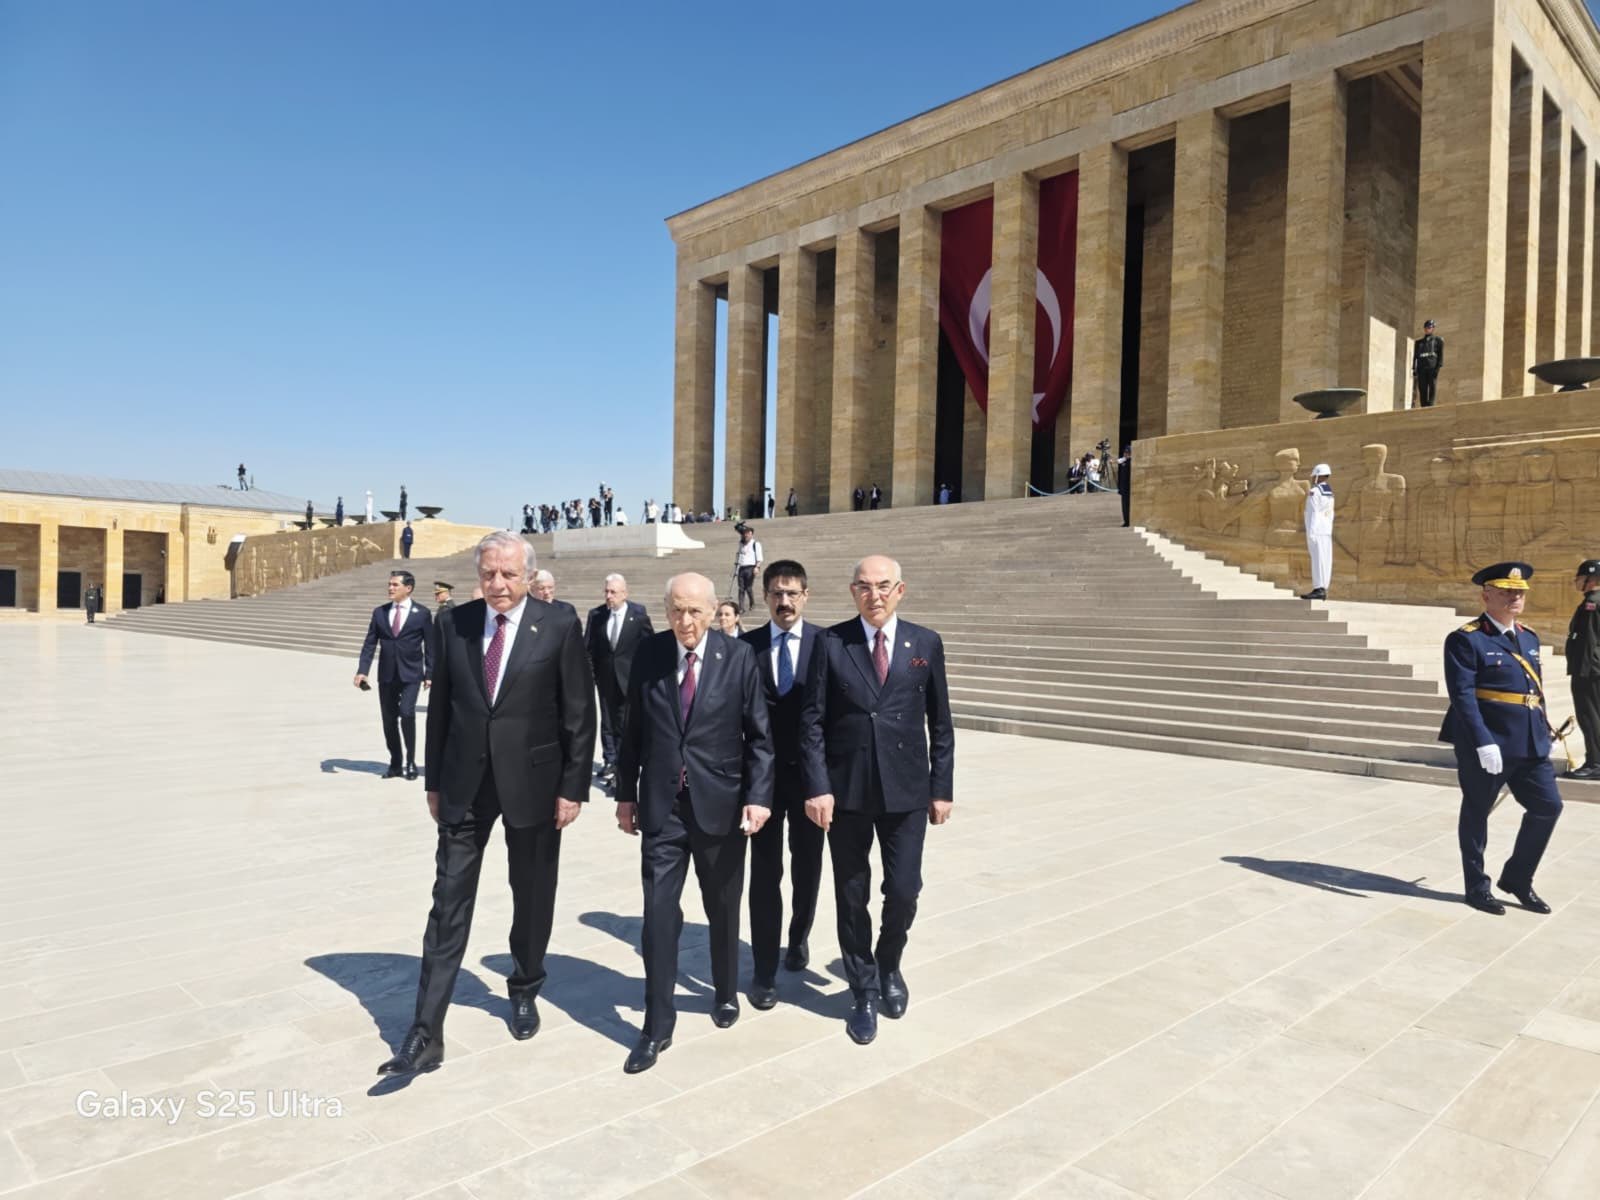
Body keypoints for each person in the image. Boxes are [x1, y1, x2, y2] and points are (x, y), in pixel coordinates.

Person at [376, 533, 596, 1076]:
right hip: (465, 784)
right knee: (447, 902)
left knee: (533, 893)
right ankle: (426, 1031)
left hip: (536, 785)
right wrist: (433, 781)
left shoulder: (560, 624)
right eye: (490, 574)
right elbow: (443, 707)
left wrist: (573, 787)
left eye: (509, 575)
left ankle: (524, 985)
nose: (498, 585)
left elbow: (578, 713)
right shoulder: (454, 623)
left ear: (527, 576)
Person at [614, 572, 774, 1073]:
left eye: (695, 612)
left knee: (723, 907)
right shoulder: (650, 654)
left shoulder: (740, 657)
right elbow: (632, 730)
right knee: (658, 916)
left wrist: (758, 799)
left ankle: (725, 990)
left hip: (721, 806)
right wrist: (625, 795)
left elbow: (761, 738)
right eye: (677, 611)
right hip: (662, 808)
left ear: (713, 611)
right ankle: (657, 1025)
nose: (685, 621)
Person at [800, 556, 954, 1045]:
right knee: (852, 894)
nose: (875, 595)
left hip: (907, 790)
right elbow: (812, 723)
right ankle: (862, 988)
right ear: (852, 592)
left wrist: (941, 787)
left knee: (905, 889)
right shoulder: (831, 643)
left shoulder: (925, 643)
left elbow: (941, 723)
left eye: (884, 586)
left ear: (901, 589)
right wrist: (817, 785)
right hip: (847, 792)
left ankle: (890, 963)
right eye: (864, 587)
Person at [1439, 562, 1563, 917]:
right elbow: (1462, 696)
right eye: (1507, 591)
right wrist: (1482, 742)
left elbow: (1533, 691)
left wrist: (1544, 729)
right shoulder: (1467, 638)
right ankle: (1477, 887)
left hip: (1529, 743)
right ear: (1486, 595)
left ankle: (1518, 879)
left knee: (1547, 807)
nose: (1515, 597)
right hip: (1489, 744)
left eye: (1520, 591)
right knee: (1477, 812)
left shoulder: (1529, 637)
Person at [742, 559, 824, 1009]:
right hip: (762, 783)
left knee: (807, 867)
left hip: (811, 782)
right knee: (764, 873)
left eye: (793, 593)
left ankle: (799, 935)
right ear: (766, 596)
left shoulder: (825, 644)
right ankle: (763, 970)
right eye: (776, 593)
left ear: (805, 596)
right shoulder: (746, 646)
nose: (785, 601)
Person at [354, 570, 432, 780]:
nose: (390, 588)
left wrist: (430, 673)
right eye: (389, 584)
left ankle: (411, 761)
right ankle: (395, 762)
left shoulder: (422, 613)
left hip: (411, 674)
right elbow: (369, 643)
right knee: (389, 719)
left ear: (408, 588)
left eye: (395, 585)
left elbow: (431, 646)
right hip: (387, 675)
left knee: (407, 713)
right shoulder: (379, 612)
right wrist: (362, 671)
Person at [585, 573, 654, 783]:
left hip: (629, 679)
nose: (608, 596)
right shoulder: (596, 615)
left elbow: (649, 646)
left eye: (613, 592)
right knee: (606, 721)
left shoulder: (638, 614)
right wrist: (591, 676)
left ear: (624, 593)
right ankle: (610, 760)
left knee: (624, 723)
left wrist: (644, 676)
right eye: (606, 591)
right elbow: (588, 648)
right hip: (605, 679)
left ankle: (623, 764)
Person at [1566, 559, 1600, 778]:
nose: (1579, 583)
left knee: (1589, 717)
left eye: (1581, 579)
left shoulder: (1592, 603)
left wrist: (1583, 670)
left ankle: (1595, 764)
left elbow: (1588, 639)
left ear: (1592, 579)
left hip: (1589, 670)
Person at [1301, 464, 1333, 600]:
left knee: (1318, 559)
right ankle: (1323, 587)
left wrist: (1312, 531)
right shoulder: (1329, 491)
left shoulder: (1315, 491)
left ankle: (1318, 588)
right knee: (1325, 560)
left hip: (1316, 530)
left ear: (1318, 475)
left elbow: (1313, 511)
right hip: (1325, 530)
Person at [1414, 319, 1444, 408]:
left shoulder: (1438, 340)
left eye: (1429, 327)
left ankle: (1430, 404)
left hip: (1432, 366)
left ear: (1433, 328)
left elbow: (1440, 355)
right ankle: (1424, 405)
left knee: (1432, 385)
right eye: (1426, 327)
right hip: (1421, 367)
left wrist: (1438, 367)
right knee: (1422, 387)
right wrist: (1414, 369)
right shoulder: (1419, 343)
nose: (1427, 329)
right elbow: (1415, 357)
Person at [734, 524, 763, 613]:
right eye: (744, 533)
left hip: (751, 568)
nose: (745, 535)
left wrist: (757, 567)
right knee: (741, 588)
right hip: (741, 568)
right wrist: (736, 569)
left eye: (747, 533)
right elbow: (739, 556)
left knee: (748, 588)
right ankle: (741, 607)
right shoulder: (741, 543)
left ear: (751, 534)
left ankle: (752, 603)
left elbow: (759, 557)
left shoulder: (755, 544)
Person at [1116, 448, 1132, 526]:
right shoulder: (1124, 462)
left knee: (1127, 506)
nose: (1125, 454)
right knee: (1124, 506)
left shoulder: (1129, 462)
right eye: (1125, 452)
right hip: (1124, 488)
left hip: (1129, 488)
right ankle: (1126, 521)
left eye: (1127, 453)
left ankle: (1128, 521)